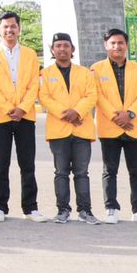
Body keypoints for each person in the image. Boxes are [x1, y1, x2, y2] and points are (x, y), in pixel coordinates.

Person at [0, 12, 44, 222]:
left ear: (19, 29)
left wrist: (23, 108)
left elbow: (34, 84)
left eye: (13, 27)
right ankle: (0, 206)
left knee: (27, 164)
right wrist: (10, 108)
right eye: (5, 27)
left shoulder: (29, 54)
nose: (9, 30)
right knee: (1, 163)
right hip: (1, 117)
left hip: (25, 116)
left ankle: (31, 207)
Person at [91, 28, 137, 225]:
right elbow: (97, 95)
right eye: (113, 43)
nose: (117, 46)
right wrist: (116, 116)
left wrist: (130, 114)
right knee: (110, 170)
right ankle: (111, 208)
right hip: (110, 126)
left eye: (121, 43)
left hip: (134, 126)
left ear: (126, 45)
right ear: (106, 45)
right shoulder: (96, 69)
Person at [38, 33, 98, 224]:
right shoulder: (45, 74)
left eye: (66, 45)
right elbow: (44, 97)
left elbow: (91, 96)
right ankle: (63, 210)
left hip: (81, 129)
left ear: (72, 49)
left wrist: (77, 112)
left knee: (82, 173)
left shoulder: (85, 73)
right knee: (61, 173)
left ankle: (85, 210)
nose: (62, 49)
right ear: (52, 50)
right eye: (58, 46)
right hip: (59, 129)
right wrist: (66, 114)